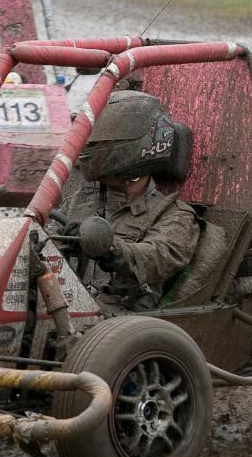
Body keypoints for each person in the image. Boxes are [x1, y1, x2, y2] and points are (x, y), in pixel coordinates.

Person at [64, 91, 201, 310]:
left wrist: (114, 251)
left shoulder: (173, 214)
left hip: (122, 321)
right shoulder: (82, 198)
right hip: (68, 305)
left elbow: (159, 255)